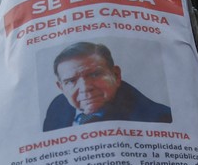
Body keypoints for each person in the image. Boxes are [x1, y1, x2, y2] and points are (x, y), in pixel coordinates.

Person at [43, 41, 172, 131]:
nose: (85, 88)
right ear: (61, 88)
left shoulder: (158, 118)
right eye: (71, 81)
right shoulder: (57, 107)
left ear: (115, 75)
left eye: (94, 74)